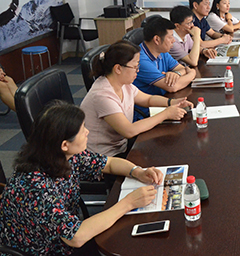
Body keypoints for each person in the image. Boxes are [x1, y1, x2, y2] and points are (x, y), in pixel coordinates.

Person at [0, 101, 161, 256]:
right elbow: (76, 237)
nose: (87, 132)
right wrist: (129, 203)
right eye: (82, 129)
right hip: (45, 250)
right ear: (65, 144)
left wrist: (137, 171)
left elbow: (109, 163)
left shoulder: (64, 155)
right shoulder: (35, 188)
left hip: (63, 236)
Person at [80, 40, 192, 157]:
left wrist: (172, 102)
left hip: (121, 146)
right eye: (135, 66)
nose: (137, 70)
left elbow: (148, 100)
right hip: (102, 157)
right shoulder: (102, 95)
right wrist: (166, 114)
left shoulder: (123, 83)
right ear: (118, 69)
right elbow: (129, 131)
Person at [133, 16, 196, 117]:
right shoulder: (140, 60)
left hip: (164, 102)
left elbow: (182, 68)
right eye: (170, 37)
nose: (173, 40)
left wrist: (177, 73)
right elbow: (172, 87)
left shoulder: (162, 52)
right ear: (157, 40)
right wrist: (192, 74)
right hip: (148, 113)